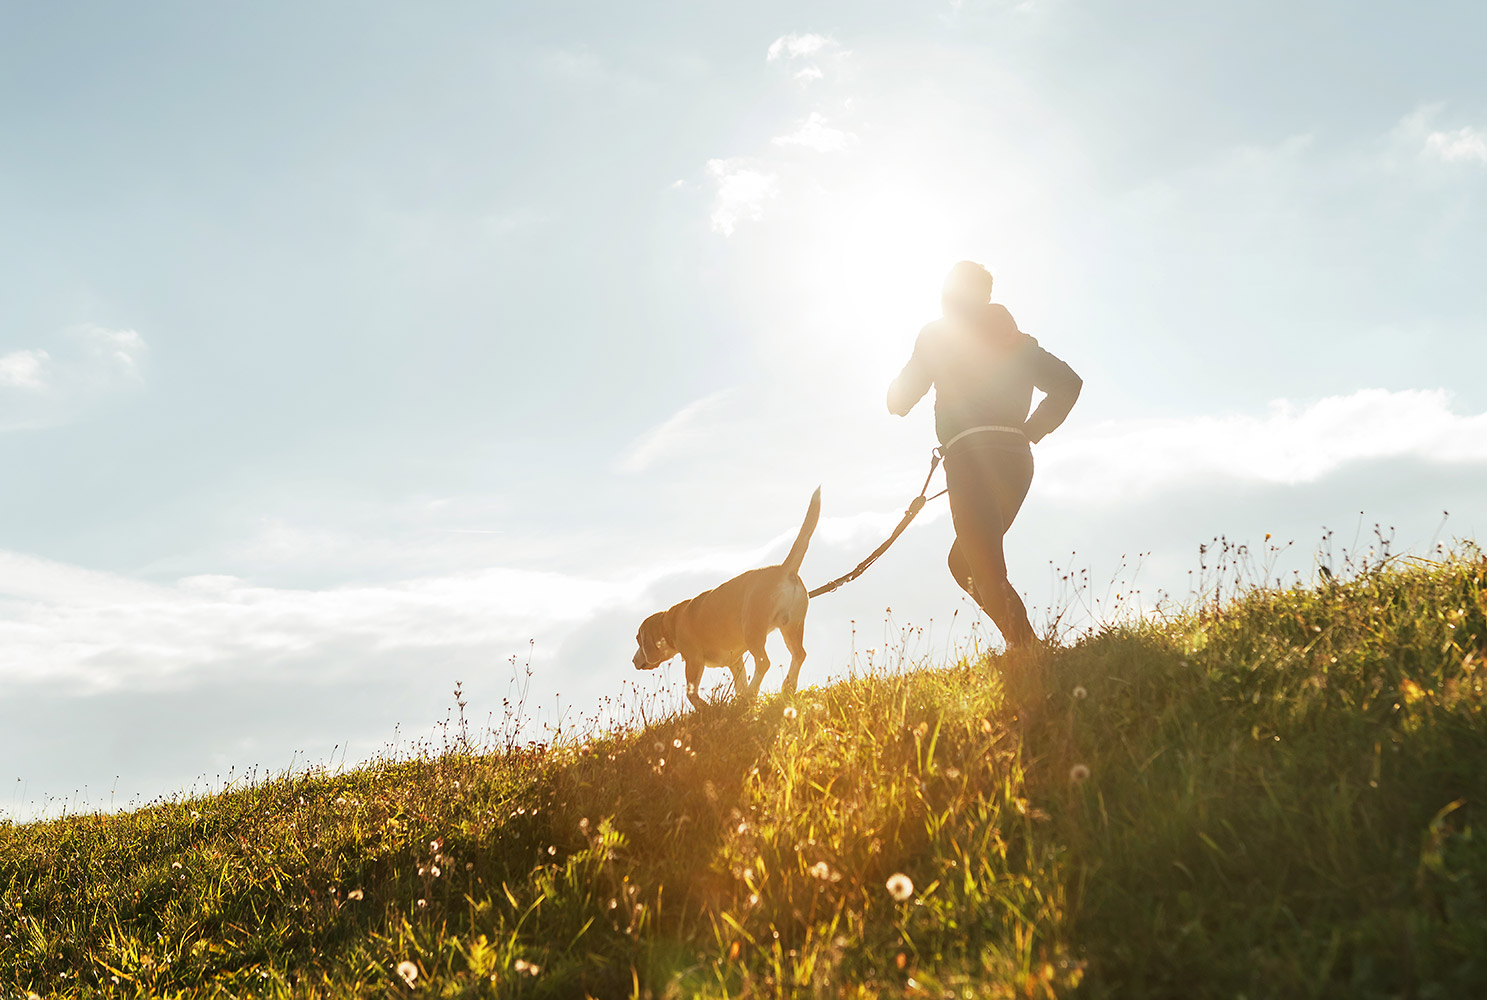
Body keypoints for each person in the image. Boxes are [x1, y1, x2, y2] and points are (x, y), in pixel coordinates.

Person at [887, 261, 1081, 650]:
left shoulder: (937, 335)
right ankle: (1024, 645)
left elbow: (899, 400)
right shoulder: (1016, 340)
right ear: (987, 295)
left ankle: (1029, 651)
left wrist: (900, 387)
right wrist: (1031, 429)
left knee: (982, 563)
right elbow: (1069, 383)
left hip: (971, 458)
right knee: (965, 562)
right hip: (1015, 458)